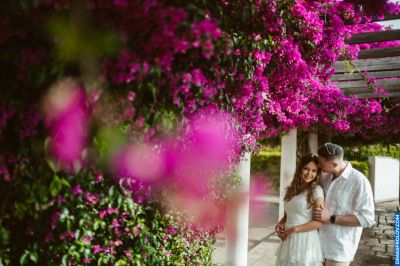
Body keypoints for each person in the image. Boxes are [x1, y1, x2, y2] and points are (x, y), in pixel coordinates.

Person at [313, 143, 375, 266]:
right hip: (317, 245)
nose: (319, 165)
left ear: (335, 164)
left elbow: (368, 219)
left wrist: (331, 218)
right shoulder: (325, 177)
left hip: (339, 250)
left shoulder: (359, 182)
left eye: (321, 163)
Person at [275, 153, 325, 266]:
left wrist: (293, 229)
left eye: (314, 170)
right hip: (288, 240)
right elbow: (288, 215)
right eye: (306, 169)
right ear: (300, 169)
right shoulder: (290, 189)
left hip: (306, 241)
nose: (309, 173)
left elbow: (318, 222)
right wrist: (279, 225)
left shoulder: (317, 191)